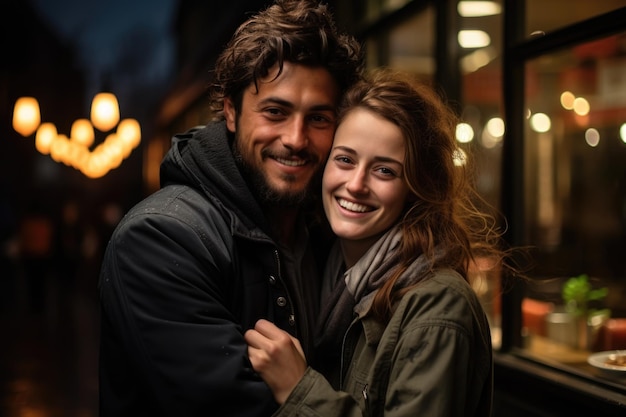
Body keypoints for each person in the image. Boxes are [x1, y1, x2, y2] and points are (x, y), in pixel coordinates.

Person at [97, 1, 363, 416]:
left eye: (319, 118)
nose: (296, 138)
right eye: (275, 111)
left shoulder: (333, 234)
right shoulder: (161, 238)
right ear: (232, 112)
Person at [245, 68, 509, 417]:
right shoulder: (331, 273)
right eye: (345, 160)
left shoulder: (437, 305)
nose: (356, 184)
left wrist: (299, 389)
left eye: (384, 170)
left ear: (415, 188)